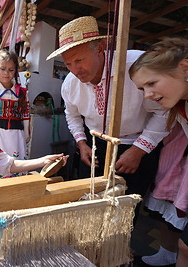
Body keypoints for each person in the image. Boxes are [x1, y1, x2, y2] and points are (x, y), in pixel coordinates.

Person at [46, 16, 169, 224]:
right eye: (68, 63)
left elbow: (164, 111)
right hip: (95, 147)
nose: (75, 70)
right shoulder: (69, 83)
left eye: (79, 60)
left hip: (137, 145)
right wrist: (82, 143)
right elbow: (72, 115)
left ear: (100, 47)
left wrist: (139, 150)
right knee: (88, 203)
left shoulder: (136, 66)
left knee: (125, 210)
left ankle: (117, 254)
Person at [129, 38, 188, 267]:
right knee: (184, 247)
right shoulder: (180, 108)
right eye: (142, 88)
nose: (147, 94)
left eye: (152, 83)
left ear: (184, 68)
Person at [0, 50, 30, 168]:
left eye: (11, 70)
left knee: (16, 167)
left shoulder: (22, 93)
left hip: (16, 137)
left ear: (16, 71)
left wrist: (26, 136)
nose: (6, 73)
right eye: (2, 69)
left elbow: (26, 118)